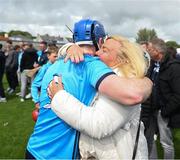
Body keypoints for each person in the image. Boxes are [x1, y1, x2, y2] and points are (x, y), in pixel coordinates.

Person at [26, 19, 152, 159]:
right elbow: (133, 94)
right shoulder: (94, 66)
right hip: (60, 154)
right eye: (102, 46)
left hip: (35, 147)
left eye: (105, 49)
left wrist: (68, 47)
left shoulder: (55, 65)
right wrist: (147, 82)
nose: (99, 53)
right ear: (99, 41)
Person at [142, 38, 180, 159]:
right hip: (151, 110)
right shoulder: (152, 65)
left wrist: (164, 111)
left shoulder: (173, 68)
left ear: (157, 51)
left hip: (163, 112)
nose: (148, 51)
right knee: (149, 140)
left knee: (166, 143)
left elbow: (178, 95)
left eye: (150, 49)